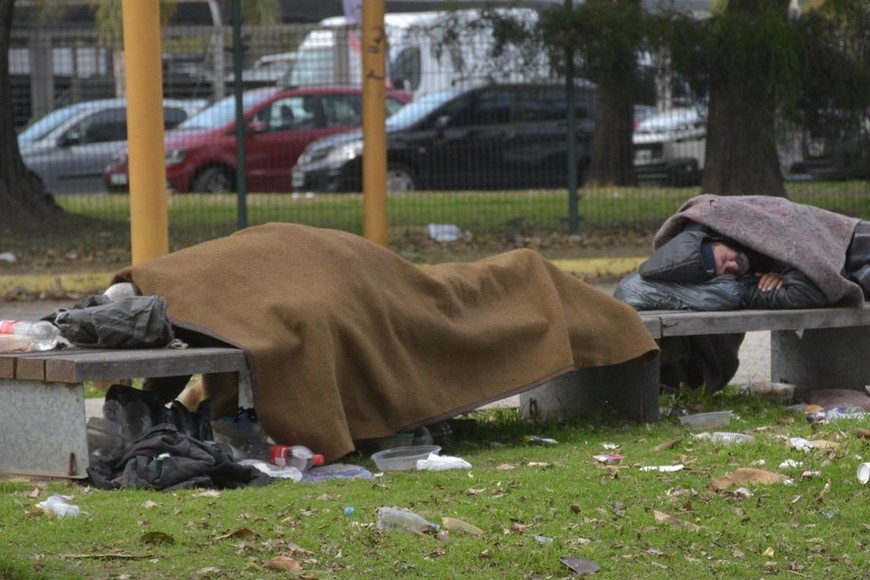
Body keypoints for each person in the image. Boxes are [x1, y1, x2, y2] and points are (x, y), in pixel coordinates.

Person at [108, 222, 659, 463]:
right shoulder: (174, 286)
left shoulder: (166, 286)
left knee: (486, 286)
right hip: (310, 267)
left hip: (343, 269)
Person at [614, 193, 870, 392]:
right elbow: (807, 294)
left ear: (717, 239)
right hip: (845, 269)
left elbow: (790, 230)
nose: (734, 266)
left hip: (844, 237)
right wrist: (781, 275)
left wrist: (786, 265)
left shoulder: (727, 219)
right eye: (725, 272)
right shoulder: (737, 283)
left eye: (725, 258)